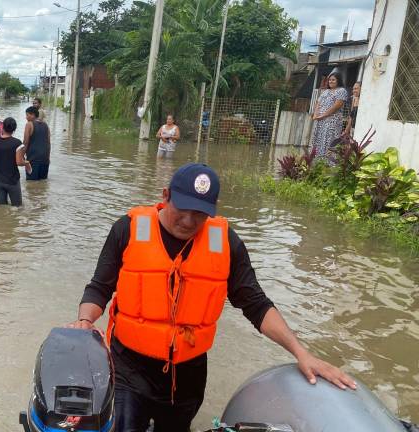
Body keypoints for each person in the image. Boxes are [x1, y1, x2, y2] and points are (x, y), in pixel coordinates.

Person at [67, 163, 357, 432]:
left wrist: (301, 353)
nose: (190, 220)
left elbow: (255, 304)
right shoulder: (128, 229)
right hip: (128, 367)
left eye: (200, 213)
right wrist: (84, 320)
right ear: (166, 195)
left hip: (188, 376)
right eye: (183, 208)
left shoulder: (226, 242)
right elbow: (99, 287)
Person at [0, 117, 30, 206]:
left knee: (2, 208)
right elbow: (19, 162)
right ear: (14, 129)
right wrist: (27, 163)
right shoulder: (17, 143)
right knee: (17, 207)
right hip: (12, 180)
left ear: (2, 127)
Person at [311, 72, 347, 161]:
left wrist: (323, 115)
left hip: (332, 121)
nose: (331, 81)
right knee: (319, 141)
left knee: (330, 141)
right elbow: (318, 103)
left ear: (338, 80)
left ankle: (330, 163)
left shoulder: (341, 91)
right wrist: (315, 115)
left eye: (333, 79)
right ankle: (318, 162)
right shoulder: (325, 91)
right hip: (321, 121)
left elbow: (337, 105)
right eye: (330, 80)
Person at [23, 106, 51, 181]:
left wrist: (21, 156)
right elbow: (48, 143)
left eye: (27, 115)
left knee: (31, 183)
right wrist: (48, 158)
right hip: (45, 159)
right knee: (42, 183)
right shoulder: (46, 125)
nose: (26, 117)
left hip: (33, 159)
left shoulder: (29, 124)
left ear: (32, 115)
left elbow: (25, 142)